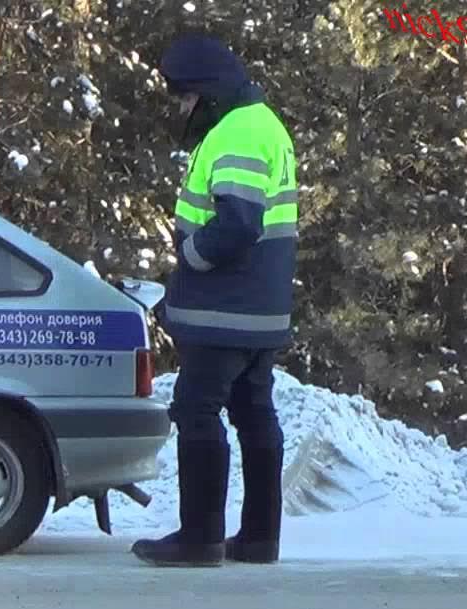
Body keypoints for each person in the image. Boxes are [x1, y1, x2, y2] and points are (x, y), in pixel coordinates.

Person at [131, 32, 299, 567]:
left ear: (208, 92)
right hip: (259, 308)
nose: (182, 109)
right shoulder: (262, 124)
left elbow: (238, 223)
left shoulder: (237, 131)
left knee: (197, 412)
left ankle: (200, 537)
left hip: (224, 309)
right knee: (254, 415)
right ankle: (258, 539)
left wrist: (193, 258)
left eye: (184, 99)